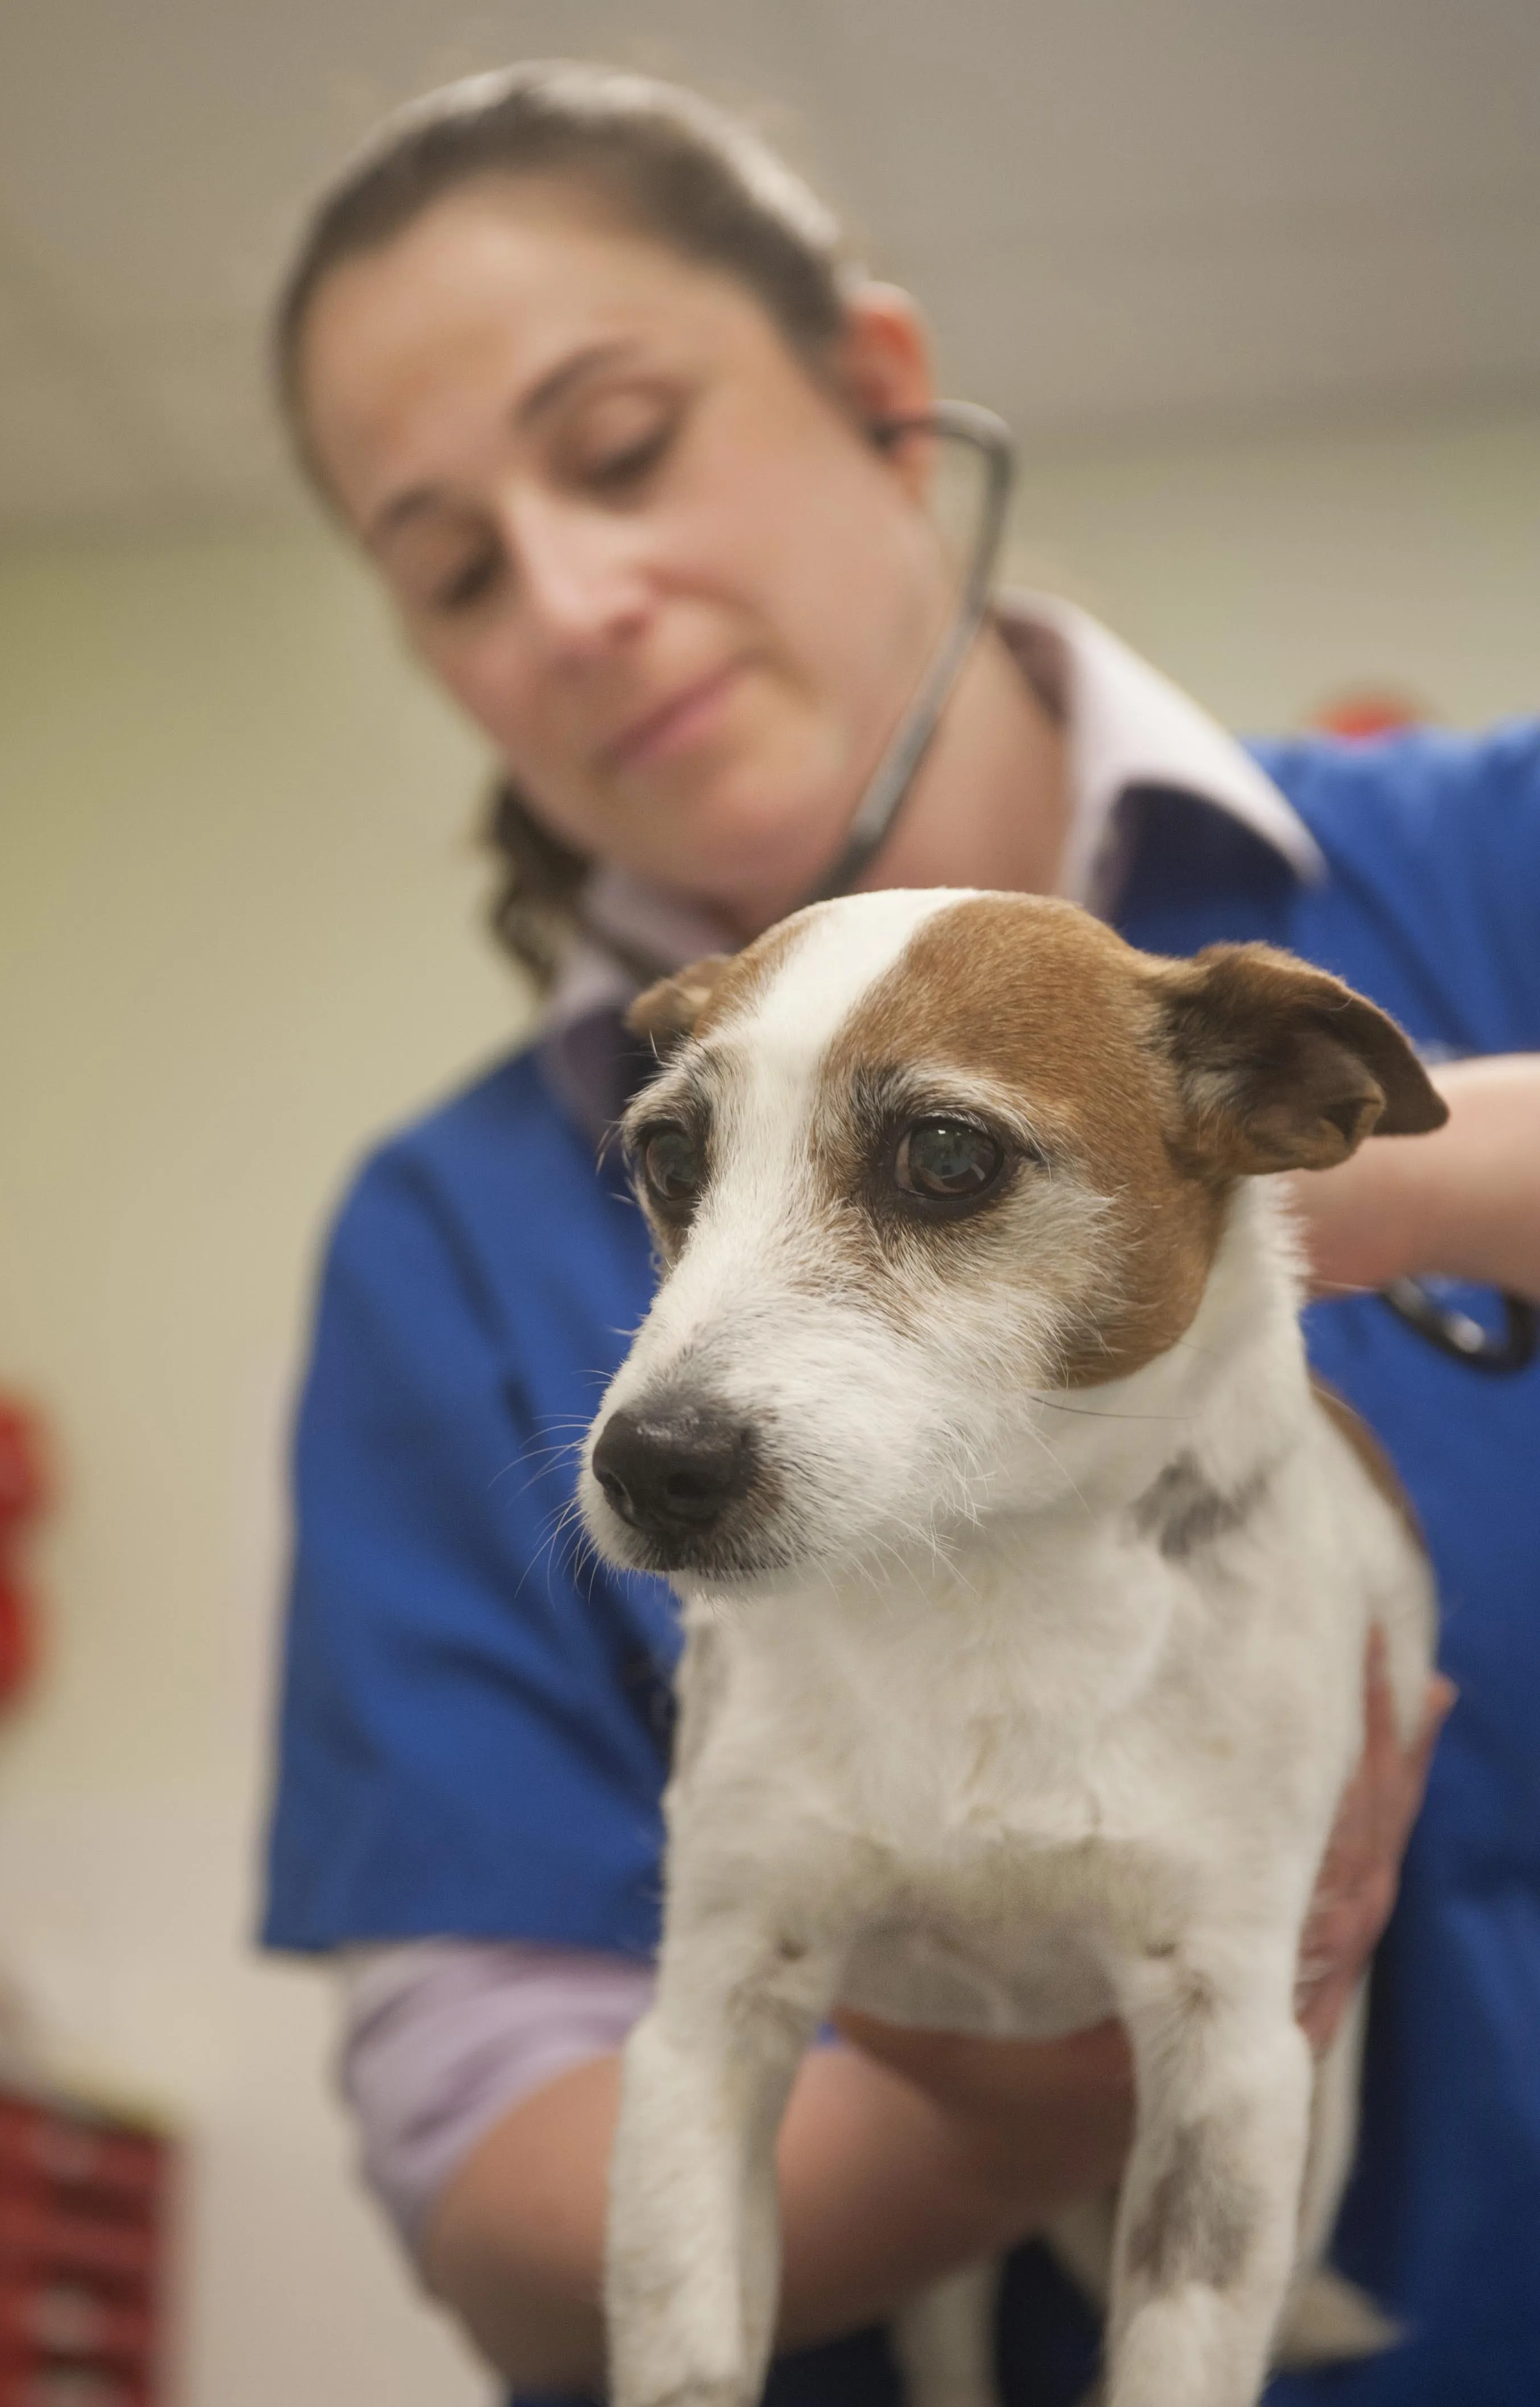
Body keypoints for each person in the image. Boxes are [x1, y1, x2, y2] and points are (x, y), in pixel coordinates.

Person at [260, 63, 1540, 2407]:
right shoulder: (442, 1240)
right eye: (449, 564)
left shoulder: (1491, 863)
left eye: (622, 442)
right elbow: (483, 2153)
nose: (568, 598)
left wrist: (1385, 1164)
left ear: (879, 397)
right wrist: (998, 2092)